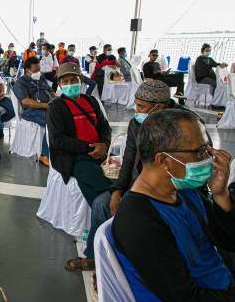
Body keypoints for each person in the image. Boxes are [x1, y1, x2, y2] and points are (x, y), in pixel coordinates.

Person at [110, 109, 235, 302]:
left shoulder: (185, 192)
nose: (208, 158)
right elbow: (186, 301)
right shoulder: (139, 220)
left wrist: (220, 194)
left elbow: (228, 241)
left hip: (223, 298)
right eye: (199, 151)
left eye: (207, 149)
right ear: (163, 160)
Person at [67, 80, 211, 270]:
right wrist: (117, 189)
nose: (136, 110)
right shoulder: (137, 123)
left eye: (141, 106)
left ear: (158, 107)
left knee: (151, 216)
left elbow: (200, 159)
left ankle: (139, 263)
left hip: (177, 184)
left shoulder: (187, 124)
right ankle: (95, 256)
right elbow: (128, 159)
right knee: (102, 203)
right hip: (145, 180)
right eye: (136, 104)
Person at [48, 63, 113, 272]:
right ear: (59, 84)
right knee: (105, 193)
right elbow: (58, 140)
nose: (70, 84)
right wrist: (88, 149)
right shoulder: (56, 107)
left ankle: (109, 230)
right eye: (65, 81)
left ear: (81, 82)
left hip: (100, 152)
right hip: (75, 156)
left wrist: (103, 144)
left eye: (73, 80)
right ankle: (103, 242)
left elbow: (104, 127)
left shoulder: (91, 101)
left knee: (120, 178)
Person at [13, 56, 56, 166]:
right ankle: (44, 155)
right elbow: (26, 101)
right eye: (36, 70)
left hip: (47, 107)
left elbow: (51, 91)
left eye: (39, 69)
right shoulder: (20, 83)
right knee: (51, 123)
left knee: (63, 118)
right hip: (31, 111)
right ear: (27, 70)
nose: (39, 72)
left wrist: (55, 100)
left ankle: (59, 150)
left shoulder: (40, 78)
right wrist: (45, 105)